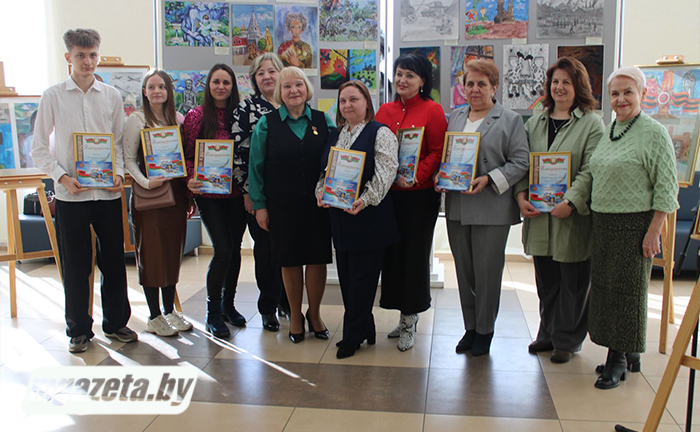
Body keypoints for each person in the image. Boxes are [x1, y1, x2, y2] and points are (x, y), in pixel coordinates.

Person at [30, 28, 137, 353]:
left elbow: (118, 143)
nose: (87, 61)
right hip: (71, 195)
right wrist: (62, 178)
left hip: (107, 194)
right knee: (76, 265)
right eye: (80, 55)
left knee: (114, 262)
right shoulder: (52, 96)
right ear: (68, 57)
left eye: (92, 55)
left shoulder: (112, 96)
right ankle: (78, 330)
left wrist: (117, 173)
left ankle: (116, 323)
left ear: (98, 56)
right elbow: (38, 148)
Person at [588, 67, 678, 389]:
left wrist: (654, 231)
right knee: (606, 289)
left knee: (627, 293)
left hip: (634, 224)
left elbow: (667, 188)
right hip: (604, 221)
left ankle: (618, 360)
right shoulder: (611, 129)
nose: (621, 99)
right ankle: (629, 352)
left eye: (628, 92)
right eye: (615, 93)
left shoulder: (654, 132)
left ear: (642, 93)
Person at [514, 57, 605, 363]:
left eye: (567, 81)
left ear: (578, 86)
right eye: (555, 81)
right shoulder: (535, 122)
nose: (560, 87)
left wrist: (571, 201)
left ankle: (567, 340)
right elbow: (523, 164)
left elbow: (591, 168)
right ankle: (548, 333)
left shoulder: (591, 123)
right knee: (547, 281)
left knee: (573, 281)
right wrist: (521, 196)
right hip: (540, 217)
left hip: (572, 216)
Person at [438, 59, 529, 357]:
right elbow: (448, 156)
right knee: (464, 272)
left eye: (481, 84)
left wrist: (489, 179)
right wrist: (441, 176)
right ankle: (470, 328)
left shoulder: (510, 120)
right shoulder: (456, 116)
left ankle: (485, 330)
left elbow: (521, 162)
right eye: (469, 83)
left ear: (494, 87)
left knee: (487, 273)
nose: (474, 89)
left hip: (491, 206)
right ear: (463, 87)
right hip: (458, 206)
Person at [249, 67, 335, 343]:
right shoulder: (266, 124)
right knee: (289, 260)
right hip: (281, 206)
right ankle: (295, 316)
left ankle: (315, 314)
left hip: (318, 206)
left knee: (317, 259)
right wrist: (260, 206)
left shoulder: (324, 120)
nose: (293, 90)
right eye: (286, 86)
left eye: (298, 84)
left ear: (307, 88)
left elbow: (336, 159)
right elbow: (255, 167)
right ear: (280, 92)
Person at [316, 81, 399, 359]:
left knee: (362, 281)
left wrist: (365, 199)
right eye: (343, 101)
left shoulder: (380, 133)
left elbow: (386, 172)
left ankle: (352, 337)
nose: (347, 105)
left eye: (354, 99)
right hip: (340, 219)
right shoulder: (337, 134)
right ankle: (366, 328)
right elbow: (325, 171)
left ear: (366, 103)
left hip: (368, 218)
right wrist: (320, 192)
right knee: (347, 279)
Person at [376, 53, 447, 352]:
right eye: (399, 73)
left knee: (414, 257)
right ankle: (400, 312)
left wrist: (416, 177)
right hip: (389, 196)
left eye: (410, 75)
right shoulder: (385, 110)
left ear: (422, 81)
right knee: (392, 256)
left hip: (419, 197)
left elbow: (438, 151)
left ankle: (410, 319)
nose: (402, 80)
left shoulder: (432, 110)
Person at [123, 69, 193, 337]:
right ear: (144, 91)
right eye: (151, 87)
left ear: (168, 91)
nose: (157, 91)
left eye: (161, 87)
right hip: (149, 197)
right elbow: (128, 159)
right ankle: (154, 316)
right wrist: (145, 182)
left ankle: (169, 310)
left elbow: (184, 159)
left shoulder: (178, 119)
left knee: (172, 253)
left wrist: (189, 197)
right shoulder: (136, 120)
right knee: (151, 255)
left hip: (175, 196)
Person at [184, 64, 246, 339]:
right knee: (222, 249)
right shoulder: (196, 116)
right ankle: (213, 312)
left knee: (235, 250)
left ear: (233, 87)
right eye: (216, 82)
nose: (221, 87)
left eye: (226, 82)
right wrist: (190, 179)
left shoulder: (240, 116)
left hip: (237, 194)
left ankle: (228, 305)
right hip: (209, 196)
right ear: (208, 85)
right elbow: (187, 155)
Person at [230, 53, 287, 332]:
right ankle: (268, 307)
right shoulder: (246, 108)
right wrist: (247, 192)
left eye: (272, 71)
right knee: (265, 251)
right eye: (260, 72)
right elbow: (239, 154)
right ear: (254, 79)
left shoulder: (292, 104)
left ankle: (287, 300)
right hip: (259, 194)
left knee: (288, 249)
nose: (267, 76)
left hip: (290, 196)